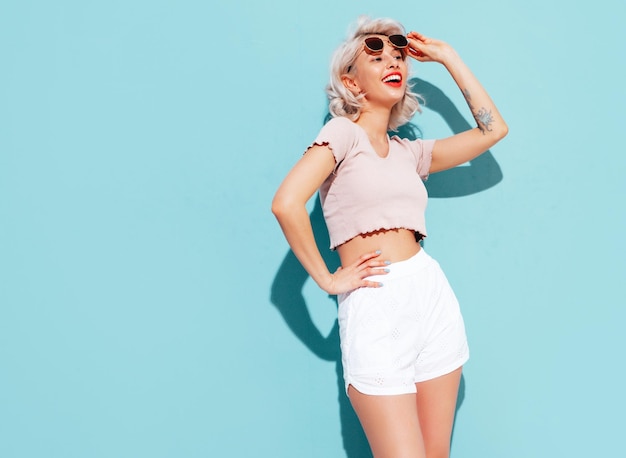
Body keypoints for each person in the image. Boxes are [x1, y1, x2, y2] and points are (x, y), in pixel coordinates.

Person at [271, 15, 508, 458]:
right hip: (375, 304)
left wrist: (447, 57)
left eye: (398, 55)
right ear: (351, 81)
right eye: (374, 54)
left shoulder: (409, 153)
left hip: (430, 296)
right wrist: (328, 280)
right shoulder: (342, 134)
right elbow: (286, 203)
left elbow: (493, 131)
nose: (391, 60)